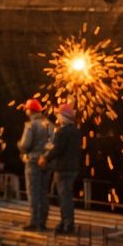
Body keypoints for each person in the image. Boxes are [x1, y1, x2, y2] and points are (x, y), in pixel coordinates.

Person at [41, 102, 80, 234]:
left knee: (64, 197)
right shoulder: (76, 131)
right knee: (66, 195)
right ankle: (65, 222)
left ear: (64, 116)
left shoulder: (62, 132)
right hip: (73, 169)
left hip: (62, 169)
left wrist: (45, 157)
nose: (57, 116)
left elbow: (57, 149)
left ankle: (67, 224)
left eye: (58, 114)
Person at [18, 99, 53, 230]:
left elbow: (25, 145)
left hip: (32, 162)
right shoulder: (49, 124)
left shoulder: (30, 125)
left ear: (30, 110)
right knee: (43, 192)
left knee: (33, 192)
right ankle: (42, 222)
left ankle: (34, 222)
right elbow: (52, 145)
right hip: (46, 163)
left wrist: (19, 146)